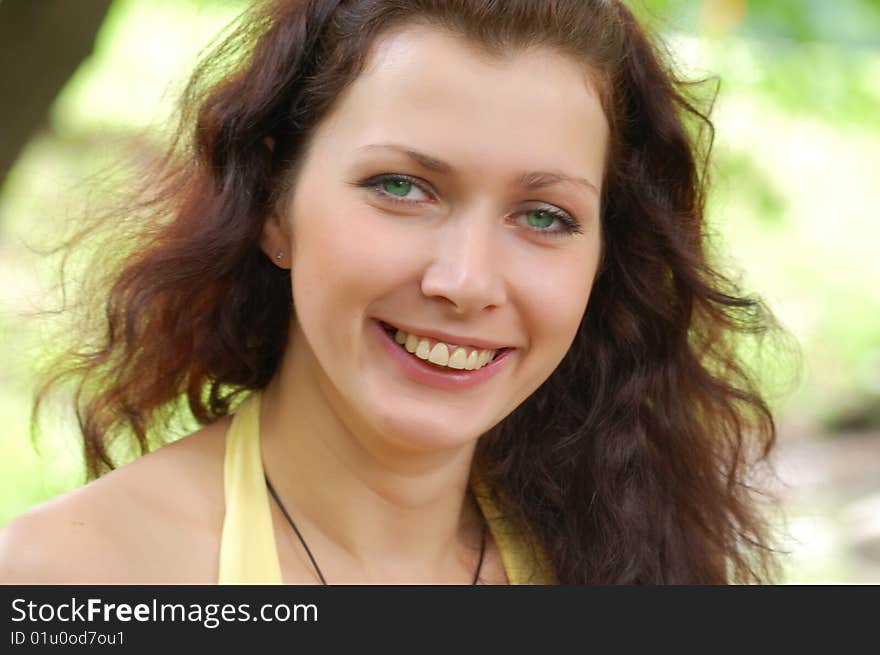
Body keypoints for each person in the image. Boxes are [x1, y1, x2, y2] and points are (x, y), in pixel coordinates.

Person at [0, 0, 786, 584]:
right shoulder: (74, 576)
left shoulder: (636, 557)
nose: (465, 281)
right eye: (402, 186)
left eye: (544, 215)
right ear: (275, 204)